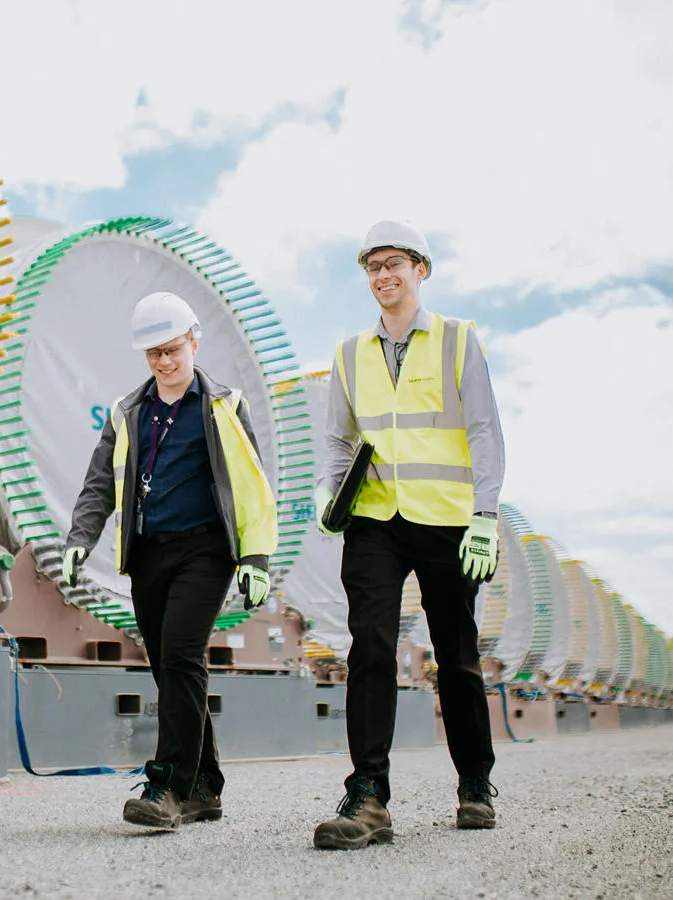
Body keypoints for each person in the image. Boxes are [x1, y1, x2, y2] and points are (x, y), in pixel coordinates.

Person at [311, 221, 505, 850]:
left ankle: (474, 784)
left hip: (446, 518)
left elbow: (483, 429)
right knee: (369, 648)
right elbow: (338, 437)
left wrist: (485, 515)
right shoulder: (349, 354)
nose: (383, 275)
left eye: (394, 263)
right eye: (373, 266)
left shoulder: (457, 339)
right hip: (375, 520)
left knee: (456, 654)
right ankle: (368, 795)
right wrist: (328, 490)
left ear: (420, 269)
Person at [64, 290, 277, 830]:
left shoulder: (224, 406)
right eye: (154, 353)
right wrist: (79, 538)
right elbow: (99, 483)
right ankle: (205, 786)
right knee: (170, 668)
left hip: (205, 550)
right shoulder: (128, 413)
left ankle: (168, 786)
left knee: (181, 656)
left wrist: (255, 556)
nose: (164, 361)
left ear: (193, 341)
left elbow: (251, 486)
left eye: (173, 349)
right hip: (148, 553)